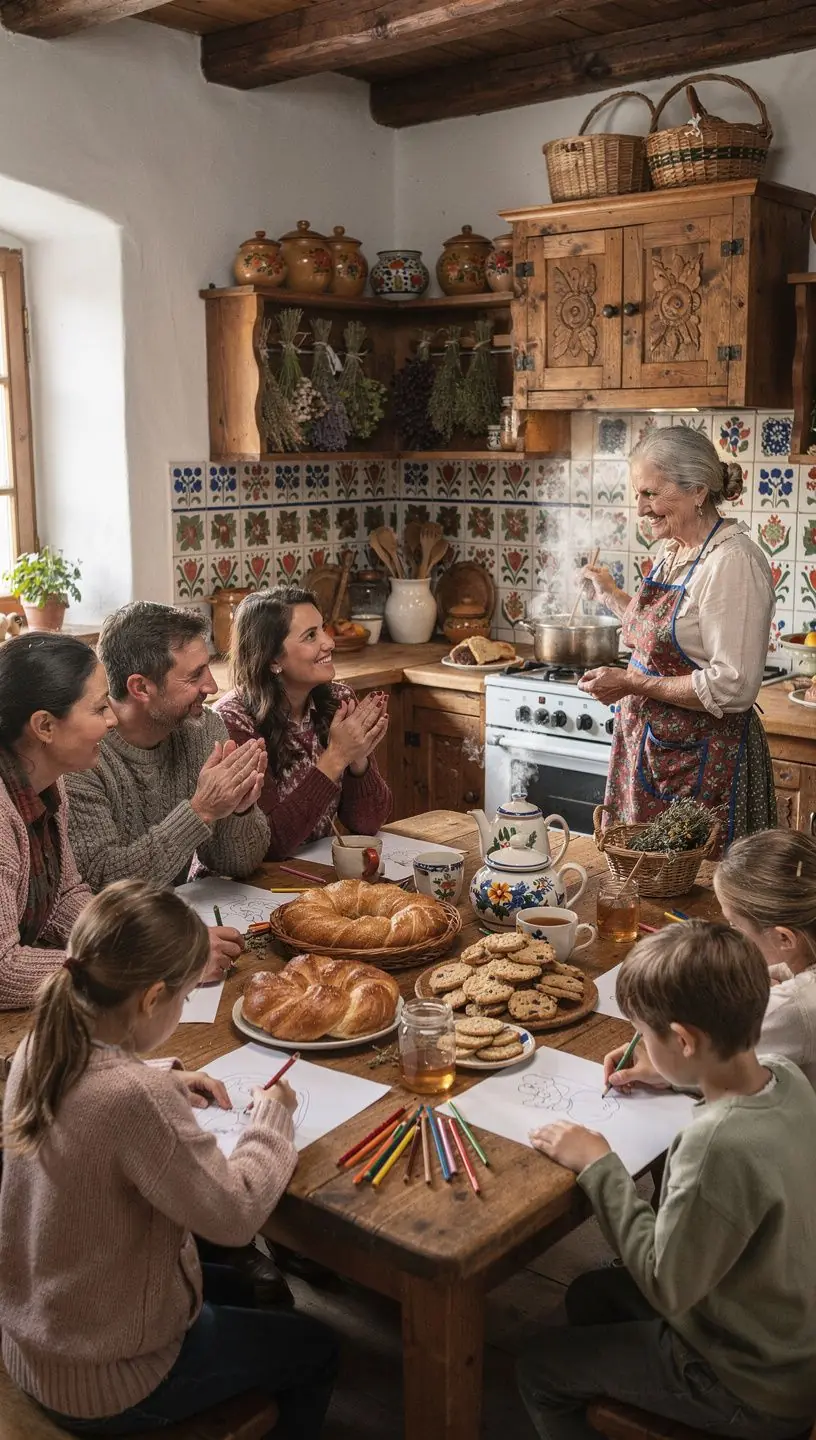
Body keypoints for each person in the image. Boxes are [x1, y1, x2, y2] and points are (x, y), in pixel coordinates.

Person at [0, 879, 338, 1437]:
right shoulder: (136, 1100)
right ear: (152, 998)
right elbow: (235, 1215)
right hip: (108, 1384)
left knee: (245, 1290)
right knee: (318, 1348)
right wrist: (271, 1120)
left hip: (37, 1341)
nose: (182, 1009)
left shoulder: (44, 1043)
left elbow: (97, 1098)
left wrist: (165, 1077)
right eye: (183, 998)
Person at [518, 922, 816, 1440]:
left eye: (645, 1037)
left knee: (538, 1369)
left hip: (746, 1382)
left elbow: (665, 1285)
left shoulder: (714, 1147)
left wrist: (599, 1166)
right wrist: (680, 1075)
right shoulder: (786, 1076)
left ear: (682, 1039)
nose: (641, 1047)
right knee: (591, 1295)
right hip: (785, 1334)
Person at [578, 427, 776, 853]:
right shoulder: (675, 551)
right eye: (638, 494)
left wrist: (632, 683)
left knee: (699, 885)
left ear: (698, 490)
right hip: (654, 751)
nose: (640, 508)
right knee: (642, 879)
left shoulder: (732, 562)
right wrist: (610, 595)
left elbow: (733, 686)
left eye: (650, 493)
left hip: (704, 763)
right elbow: (665, 635)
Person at [66, 603, 270, 978]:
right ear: (140, 687)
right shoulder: (83, 753)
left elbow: (237, 864)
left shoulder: (204, 729)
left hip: (186, 927)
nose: (211, 687)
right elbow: (101, 887)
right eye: (194, 676)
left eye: (208, 667)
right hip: (121, 958)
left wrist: (239, 810)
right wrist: (201, 811)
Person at [604, 828, 816, 1091]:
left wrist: (659, 1068)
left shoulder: (791, 1008)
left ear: (784, 938)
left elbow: (710, 1066)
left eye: (735, 925)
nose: (730, 933)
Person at [215, 587, 391, 860]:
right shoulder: (234, 720)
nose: (329, 642)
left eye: (322, 628)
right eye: (310, 636)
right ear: (273, 659)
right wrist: (336, 756)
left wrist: (359, 760)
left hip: (312, 867)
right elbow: (268, 844)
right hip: (246, 881)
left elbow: (368, 824)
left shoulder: (338, 701)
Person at [0, 633, 114, 1009]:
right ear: (45, 726)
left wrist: (131, 939)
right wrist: (124, 969)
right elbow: (2, 968)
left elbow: (62, 897)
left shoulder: (48, 780)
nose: (112, 719)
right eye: (99, 708)